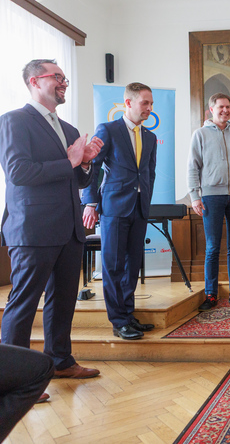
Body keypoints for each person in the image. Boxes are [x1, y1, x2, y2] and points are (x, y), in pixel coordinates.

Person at [0, 59, 102, 379]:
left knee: (63, 301)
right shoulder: (14, 121)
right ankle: (14, 379)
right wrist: (70, 161)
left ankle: (60, 361)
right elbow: (18, 172)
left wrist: (85, 164)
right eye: (57, 77)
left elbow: (78, 181)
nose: (64, 83)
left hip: (69, 230)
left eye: (65, 78)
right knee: (24, 304)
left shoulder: (69, 130)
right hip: (33, 229)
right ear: (34, 81)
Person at [82, 83, 157, 341]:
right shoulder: (108, 129)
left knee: (132, 265)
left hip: (139, 207)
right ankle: (118, 321)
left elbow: (149, 173)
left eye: (151, 103)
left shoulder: (149, 137)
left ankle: (128, 314)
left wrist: (145, 199)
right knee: (113, 266)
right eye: (145, 103)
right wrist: (90, 203)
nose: (149, 108)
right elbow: (93, 167)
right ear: (128, 103)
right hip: (114, 207)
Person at [188, 93, 230, 311]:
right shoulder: (200, 135)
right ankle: (211, 294)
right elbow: (193, 167)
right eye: (221, 107)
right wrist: (195, 196)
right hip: (211, 197)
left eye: (228, 107)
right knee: (212, 248)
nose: (225, 110)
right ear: (211, 109)